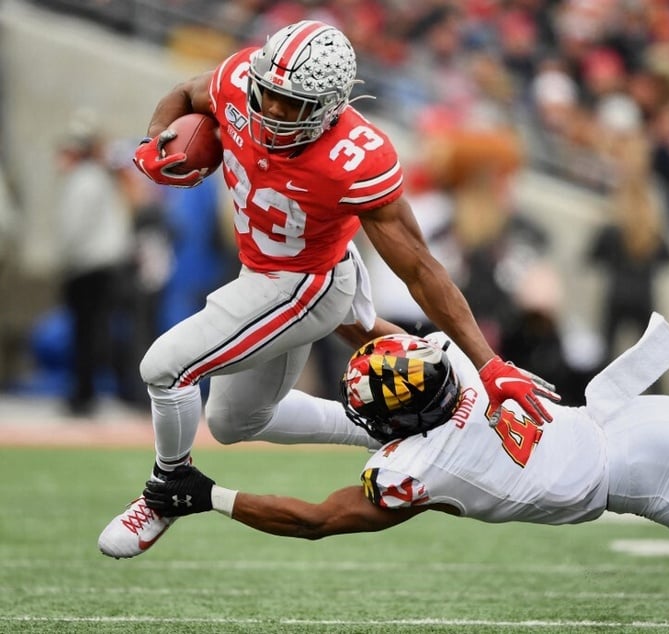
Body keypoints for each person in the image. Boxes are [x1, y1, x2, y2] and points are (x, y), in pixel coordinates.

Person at [98, 20, 558, 559]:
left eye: (289, 106)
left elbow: (421, 268)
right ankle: (403, 428)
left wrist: (489, 362)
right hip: (260, 272)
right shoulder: (242, 79)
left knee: (165, 367)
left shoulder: (355, 159)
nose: (269, 114)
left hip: (306, 282)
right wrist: (160, 140)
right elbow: (185, 92)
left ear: (328, 107)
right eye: (266, 96)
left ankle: (167, 489)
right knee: (233, 421)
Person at [142, 315, 669, 551]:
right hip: (627, 416)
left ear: (394, 426)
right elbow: (387, 344)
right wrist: (342, 315)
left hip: (646, 481)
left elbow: (316, 522)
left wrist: (209, 495)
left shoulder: (414, 467)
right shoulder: (455, 363)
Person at [54, 111, 138, 416]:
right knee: (98, 332)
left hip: (88, 266)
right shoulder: (100, 178)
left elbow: (73, 229)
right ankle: (99, 391)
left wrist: (64, 260)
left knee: (87, 334)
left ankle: (84, 394)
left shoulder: (84, 180)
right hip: (103, 265)